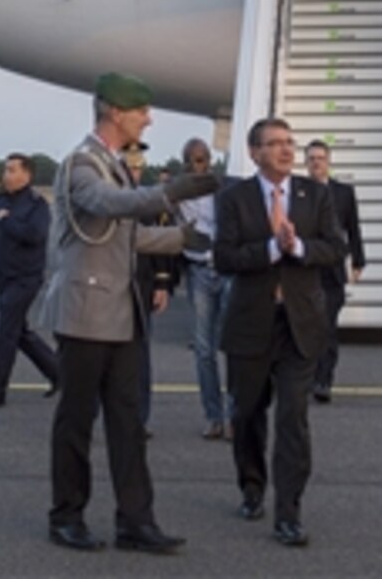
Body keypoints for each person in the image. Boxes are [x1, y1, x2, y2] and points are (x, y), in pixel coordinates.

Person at [41, 72, 219, 554]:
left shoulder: (113, 163)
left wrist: (181, 240)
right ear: (116, 113)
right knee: (76, 421)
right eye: (141, 111)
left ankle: (135, 521)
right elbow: (110, 206)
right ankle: (67, 515)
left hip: (120, 313)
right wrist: (171, 194)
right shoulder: (83, 165)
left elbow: (126, 235)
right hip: (85, 312)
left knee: (127, 425)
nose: (149, 118)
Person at [214, 117, 347, 548]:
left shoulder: (316, 195)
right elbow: (224, 257)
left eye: (290, 143)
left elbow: (335, 247)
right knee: (248, 415)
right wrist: (273, 248)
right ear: (254, 152)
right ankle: (252, 488)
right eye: (275, 144)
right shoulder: (234, 198)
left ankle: (289, 512)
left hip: (300, 326)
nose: (287, 150)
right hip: (251, 324)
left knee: (293, 418)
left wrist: (299, 248)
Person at [0, 154, 59, 407]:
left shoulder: (37, 205)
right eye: (5, 170)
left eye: (11, 170)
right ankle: (60, 374)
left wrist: (9, 220)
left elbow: (35, 235)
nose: (6, 175)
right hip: (4, 277)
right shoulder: (0, 201)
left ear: (26, 175)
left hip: (25, 278)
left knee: (6, 334)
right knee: (19, 333)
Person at [304, 140, 366, 403]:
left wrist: (358, 261)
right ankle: (306, 376)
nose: (316, 162)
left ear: (328, 161)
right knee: (306, 328)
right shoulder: (298, 191)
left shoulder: (343, 192)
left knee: (327, 327)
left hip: (332, 271)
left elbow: (353, 228)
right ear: (306, 163)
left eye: (320, 158)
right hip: (305, 270)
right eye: (311, 158)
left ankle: (323, 380)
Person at [179, 137, 232, 440]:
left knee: (233, 345)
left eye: (202, 159)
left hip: (225, 270)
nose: (198, 165)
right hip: (198, 271)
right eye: (192, 160)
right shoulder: (176, 194)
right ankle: (213, 416)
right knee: (203, 349)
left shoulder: (225, 188)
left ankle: (233, 414)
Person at [122, 142, 177, 437]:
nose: (134, 172)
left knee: (139, 353)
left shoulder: (150, 201)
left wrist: (162, 283)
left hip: (142, 283)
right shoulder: (109, 199)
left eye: (137, 167)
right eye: (129, 167)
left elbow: (163, 243)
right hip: (112, 285)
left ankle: (139, 418)